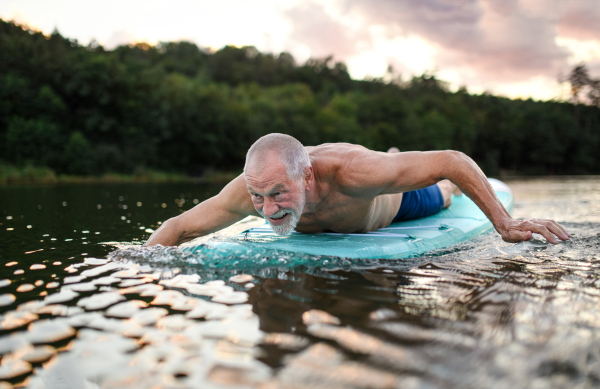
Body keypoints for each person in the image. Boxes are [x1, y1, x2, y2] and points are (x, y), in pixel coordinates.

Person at [145, 133, 569, 247]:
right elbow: (178, 226)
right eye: (259, 197)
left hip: (395, 206)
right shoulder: (251, 189)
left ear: (307, 176)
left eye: (278, 194)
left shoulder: (351, 173)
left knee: (442, 191)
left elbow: (452, 161)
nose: (267, 209)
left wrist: (505, 223)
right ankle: (394, 155)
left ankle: (398, 160)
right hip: (373, 175)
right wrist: (133, 268)